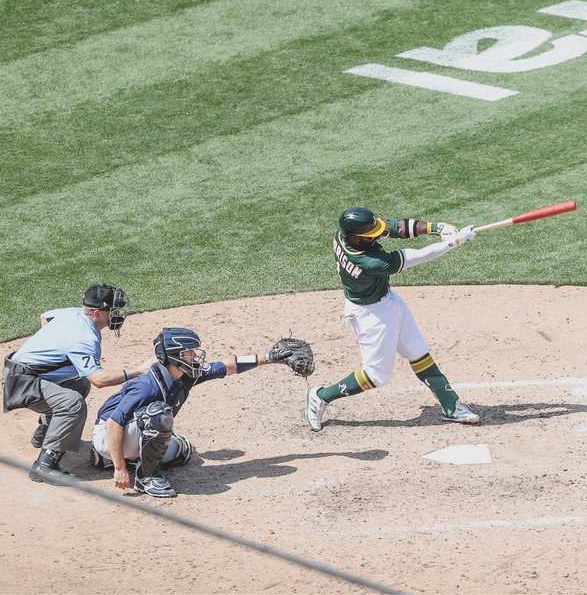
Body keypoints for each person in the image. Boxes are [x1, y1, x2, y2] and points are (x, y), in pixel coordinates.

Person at [305, 207, 479, 431]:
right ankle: (320, 396)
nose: (376, 236)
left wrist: (437, 228)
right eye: (370, 235)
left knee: (418, 351)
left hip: (388, 302)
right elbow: (418, 256)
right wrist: (453, 242)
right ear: (356, 238)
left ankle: (450, 405)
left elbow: (395, 227)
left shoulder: (345, 234)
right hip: (370, 315)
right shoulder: (370, 262)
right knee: (376, 375)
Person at [91, 326, 298, 498]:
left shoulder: (186, 374)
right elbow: (113, 423)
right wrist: (120, 469)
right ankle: (145, 478)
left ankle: (115, 459)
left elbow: (227, 366)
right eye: (189, 353)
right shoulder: (147, 386)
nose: (194, 356)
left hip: (129, 432)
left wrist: (269, 357)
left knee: (182, 452)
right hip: (107, 434)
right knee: (159, 416)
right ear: (174, 357)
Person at [2, 284, 153, 485]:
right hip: (21, 382)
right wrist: (138, 370)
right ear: (97, 313)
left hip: (21, 372)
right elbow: (99, 379)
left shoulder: (74, 313)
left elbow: (45, 316)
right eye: (113, 311)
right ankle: (45, 466)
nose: (117, 315)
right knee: (73, 404)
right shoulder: (84, 338)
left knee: (79, 384)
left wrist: (52, 346)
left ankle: (45, 432)